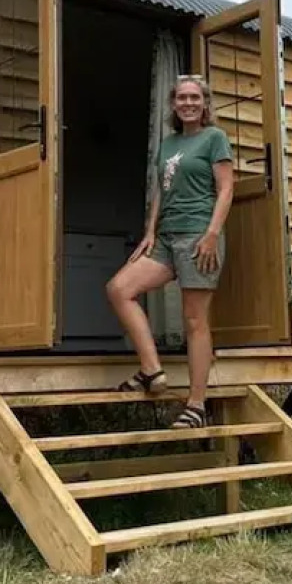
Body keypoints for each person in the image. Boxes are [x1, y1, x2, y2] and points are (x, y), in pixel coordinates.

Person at [106, 74, 235, 429]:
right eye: (182, 98)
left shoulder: (214, 138)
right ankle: (151, 370)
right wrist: (150, 231)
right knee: (120, 289)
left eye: (195, 97)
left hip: (198, 237)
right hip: (166, 238)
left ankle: (196, 406)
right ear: (173, 104)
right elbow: (161, 191)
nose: (188, 103)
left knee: (194, 321)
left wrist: (211, 234)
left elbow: (226, 189)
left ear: (205, 103)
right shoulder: (168, 144)